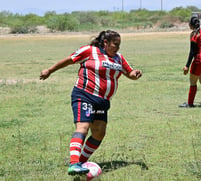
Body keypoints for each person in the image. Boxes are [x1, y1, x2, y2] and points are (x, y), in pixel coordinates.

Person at [40, 30, 142, 175]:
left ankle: (81, 162)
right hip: (84, 95)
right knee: (83, 127)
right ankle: (74, 164)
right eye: (115, 44)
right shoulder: (89, 51)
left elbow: (129, 73)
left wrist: (135, 74)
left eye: (119, 45)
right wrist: (49, 70)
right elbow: (69, 60)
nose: (117, 48)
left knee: (99, 133)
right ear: (105, 43)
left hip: (102, 102)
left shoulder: (119, 58)